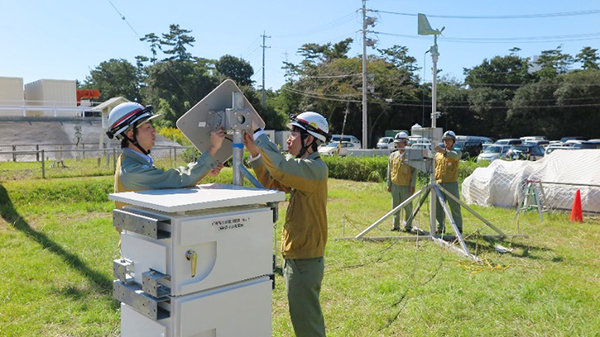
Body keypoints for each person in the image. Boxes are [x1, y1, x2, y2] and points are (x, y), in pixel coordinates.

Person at [243, 111, 330, 337]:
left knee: (306, 324)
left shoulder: (315, 169)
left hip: (304, 259)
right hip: (299, 256)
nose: (289, 138)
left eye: (295, 133)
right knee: (304, 318)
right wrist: (255, 154)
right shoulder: (304, 167)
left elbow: (281, 167)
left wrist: (258, 133)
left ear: (309, 140)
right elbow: (276, 184)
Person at [106, 101, 225, 209]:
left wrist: (203, 170)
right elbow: (176, 180)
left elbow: (163, 178)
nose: (154, 131)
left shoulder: (131, 161)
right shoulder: (132, 171)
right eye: (147, 127)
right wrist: (213, 148)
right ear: (131, 135)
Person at [386, 132, 417, 232]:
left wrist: (412, 185)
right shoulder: (393, 155)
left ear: (405, 143)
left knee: (408, 207)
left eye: (401, 143)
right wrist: (389, 184)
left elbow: (414, 172)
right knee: (395, 207)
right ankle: (396, 225)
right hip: (395, 185)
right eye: (397, 143)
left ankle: (408, 226)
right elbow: (389, 170)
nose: (399, 145)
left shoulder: (410, 156)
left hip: (406, 185)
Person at [434, 130, 463, 234]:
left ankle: (458, 228)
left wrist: (444, 152)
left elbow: (456, 156)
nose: (447, 142)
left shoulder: (456, 152)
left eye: (449, 140)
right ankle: (440, 228)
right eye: (445, 140)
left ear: (453, 141)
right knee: (439, 207)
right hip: (439, 182)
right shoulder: (438, 155)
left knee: (454, 207)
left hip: (451, 184)